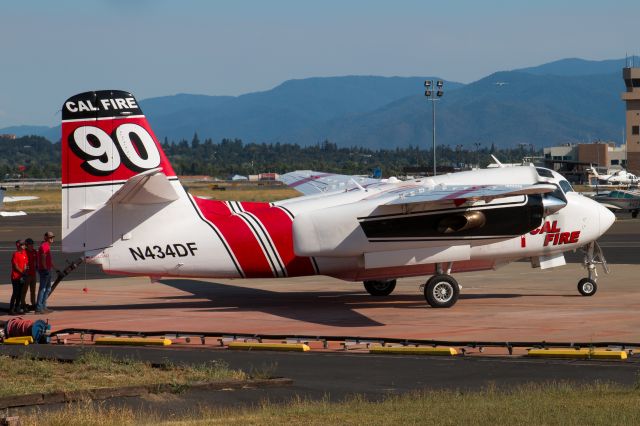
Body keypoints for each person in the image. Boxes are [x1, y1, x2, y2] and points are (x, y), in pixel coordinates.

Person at [35, 231, 58, 314]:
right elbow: (43, 258)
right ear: (45, 238)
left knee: (47, 289)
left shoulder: (47, 246)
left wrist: (55, 268)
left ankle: (43, 306)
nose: (51, 239)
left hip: (47, 269)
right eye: (50, 237)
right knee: (43, 289)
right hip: (45, 270)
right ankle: (39, 308)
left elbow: (49, 260)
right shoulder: (44, 246)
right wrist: (45, 269)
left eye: (52, 237)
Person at [9, 240, 27, 314]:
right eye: (22, 245)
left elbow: (25, 264)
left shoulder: (24, 253)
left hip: (21, 276)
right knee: (15, 292)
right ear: (19, 246)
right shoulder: (15, 254)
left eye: (24, 245)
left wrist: (25, 272)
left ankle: (17, 308)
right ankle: (11, 309)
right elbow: (15, 266)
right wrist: (22, 273)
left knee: (20, 293)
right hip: (15, 277)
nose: (24, 246)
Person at [21, 238, 38, 312]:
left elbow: (37, 262)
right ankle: (23, 303)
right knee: (24, 290)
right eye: (30, 244)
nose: (31, 246)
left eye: (32, 244)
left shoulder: (34, 252)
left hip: (33, 274)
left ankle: (33, 303)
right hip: (26, 275)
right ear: (26, 245)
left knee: (33, 290)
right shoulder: (24, 252)